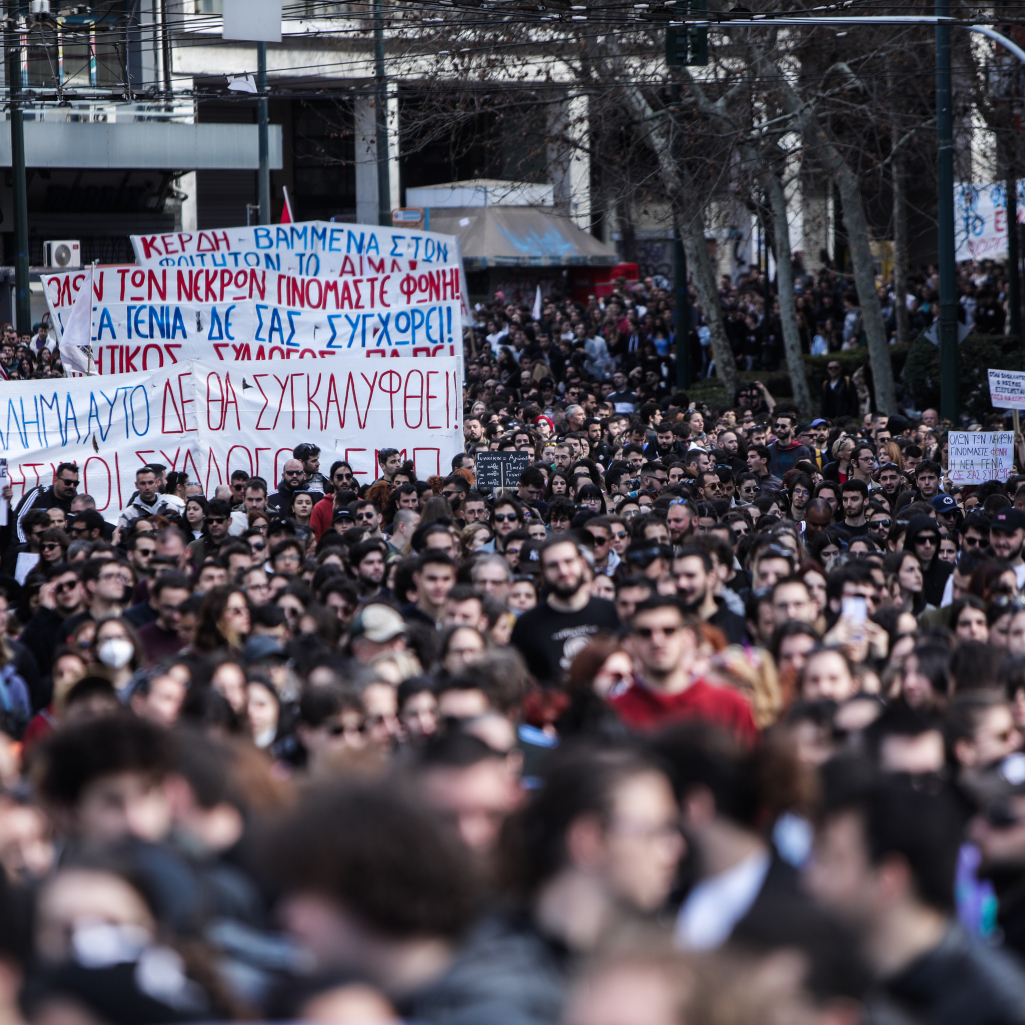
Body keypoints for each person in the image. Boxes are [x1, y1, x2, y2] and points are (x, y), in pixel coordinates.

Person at [807, 767, 1025, 1025]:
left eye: (833, 860)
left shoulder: (997, 1006)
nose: (811, 879)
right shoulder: (824, 964)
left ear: (889, 878)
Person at [609, 596, 757, 741]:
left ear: (687, 638)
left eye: (668, 631)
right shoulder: (613, 713)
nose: (657, 641)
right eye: (645, 632)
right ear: (632, 642)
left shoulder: (730, 705)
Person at [511, 537, 619, 684]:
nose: (563, 571)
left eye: (568, 561)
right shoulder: (527, 626)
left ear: (582, 563)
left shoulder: (612, 612)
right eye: (553, 565)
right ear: (543, 571)